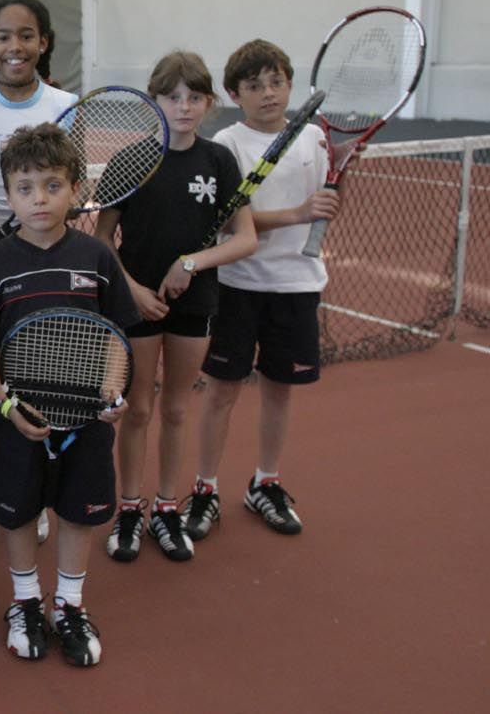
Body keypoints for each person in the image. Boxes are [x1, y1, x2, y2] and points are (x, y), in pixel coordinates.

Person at [0, 123, 139, 667]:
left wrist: (113, 387)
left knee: (77, 513)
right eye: (25, 188)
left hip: (86, 419)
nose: (39, 198)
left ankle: (69, 604)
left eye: (51, 185)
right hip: (19, 417)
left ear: (74, 189)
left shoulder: (96, 257)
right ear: (9, 194)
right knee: (18, 515)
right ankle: (25, 602)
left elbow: (118, 334)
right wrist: (6, 404)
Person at [92, 51, 257, 563]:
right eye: (172, 96)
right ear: (155, 100)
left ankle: (166, 508)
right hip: (138, 305)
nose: (183, 107)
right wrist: (133, 289)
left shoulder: (219, 161)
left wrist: (192, 262)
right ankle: (129, 509)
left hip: (195, 304)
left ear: (208, 102)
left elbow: (245, 237)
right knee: (138, 409)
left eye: (194, 97)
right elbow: (101, 239)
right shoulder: (131, 160)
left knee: (178, 409)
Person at [191, 39, 339, 540]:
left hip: (296, 285)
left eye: (277, 82)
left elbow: (326, 199)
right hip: (237, 285)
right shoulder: (227, 145)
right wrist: (296, 214)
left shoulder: (316, 139)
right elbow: (230, 222)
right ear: (235, 94)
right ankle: (205, 488)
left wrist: (323, 203)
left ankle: (266, 482)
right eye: (254, 86)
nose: (268, 94)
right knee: (220, 393)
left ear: (290, 85)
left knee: (280, 390)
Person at [0, 0, 78, 546]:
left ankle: (34, 482)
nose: (15, 47)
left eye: (26, 36)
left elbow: (70, 184)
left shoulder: (68, 104)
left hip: (45, 256)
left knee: (39, 366)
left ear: (43, 43)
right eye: (3, 36)